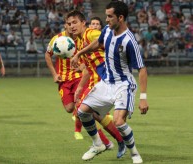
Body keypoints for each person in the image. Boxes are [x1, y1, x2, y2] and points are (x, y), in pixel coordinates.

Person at [71, 1, 149, 163]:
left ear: (120, 18)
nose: (106, 20)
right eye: (106, 16)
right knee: (82, 111)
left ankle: (134, 154)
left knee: (119, 121)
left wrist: (143, 97)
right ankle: (98, 144)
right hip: (106, 82)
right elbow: (98, 43)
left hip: (124, 85)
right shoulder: (107, 30)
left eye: (109, 16)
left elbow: (141, 69)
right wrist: (79, 53)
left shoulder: (129, 41)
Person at [67, 12, 126, 158]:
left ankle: (103, 143)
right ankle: (115, 142)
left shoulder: (91, 34)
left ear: (83, 23)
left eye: (75, 22)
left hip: (107, 81)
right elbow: (87, 69)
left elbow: (110, 41)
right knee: (90, 113)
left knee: (83, 111)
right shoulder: (79, 42)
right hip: (97, 81)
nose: (72, 26)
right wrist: (80, 88)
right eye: (69, 24)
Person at [45, 20, 85, 140]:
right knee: (69, 108)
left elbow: (88, 54)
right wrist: (54, 74)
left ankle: (78, 130)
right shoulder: (56, 39)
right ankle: (76, 112)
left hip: (78, 76)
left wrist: (83, 66)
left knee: (81, 102)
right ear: (65, 26)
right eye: (69, 24)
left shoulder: (81, 38)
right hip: (63, 79)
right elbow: (47, 55)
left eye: (73, 24)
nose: (71, 26)